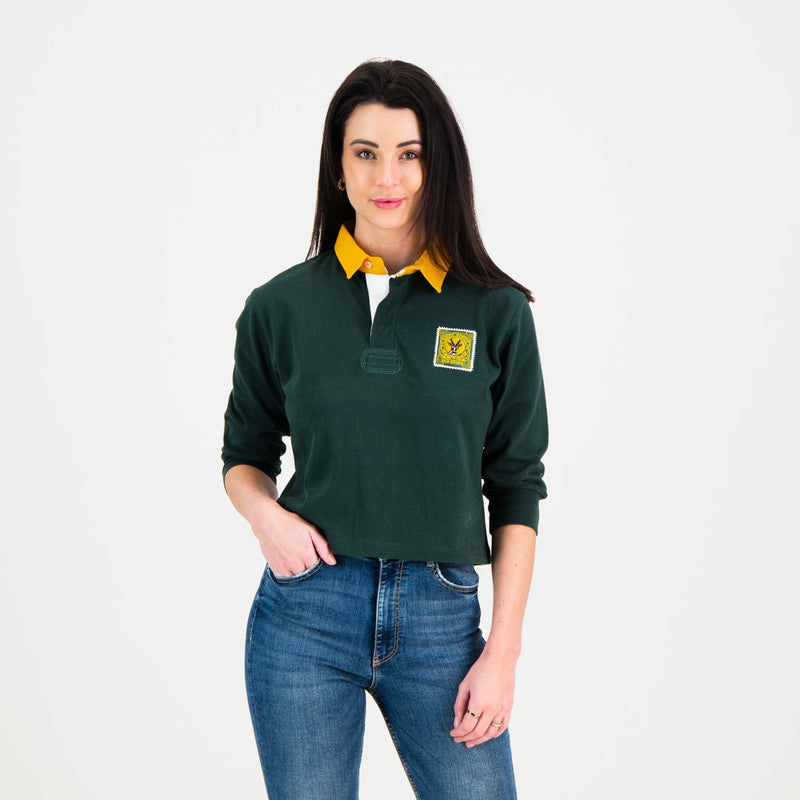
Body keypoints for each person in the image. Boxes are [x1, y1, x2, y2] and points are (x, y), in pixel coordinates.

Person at [221, 58, 548, 800]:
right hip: (305, 613)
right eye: (365, 153)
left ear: (438, 167)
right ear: (338, 168)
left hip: (442, 620)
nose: (386, 177)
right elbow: (243, 456)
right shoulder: (279, 308)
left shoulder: (496, 311)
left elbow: (517, 486)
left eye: (409, 154)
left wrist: (502, 653)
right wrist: (266, 517)